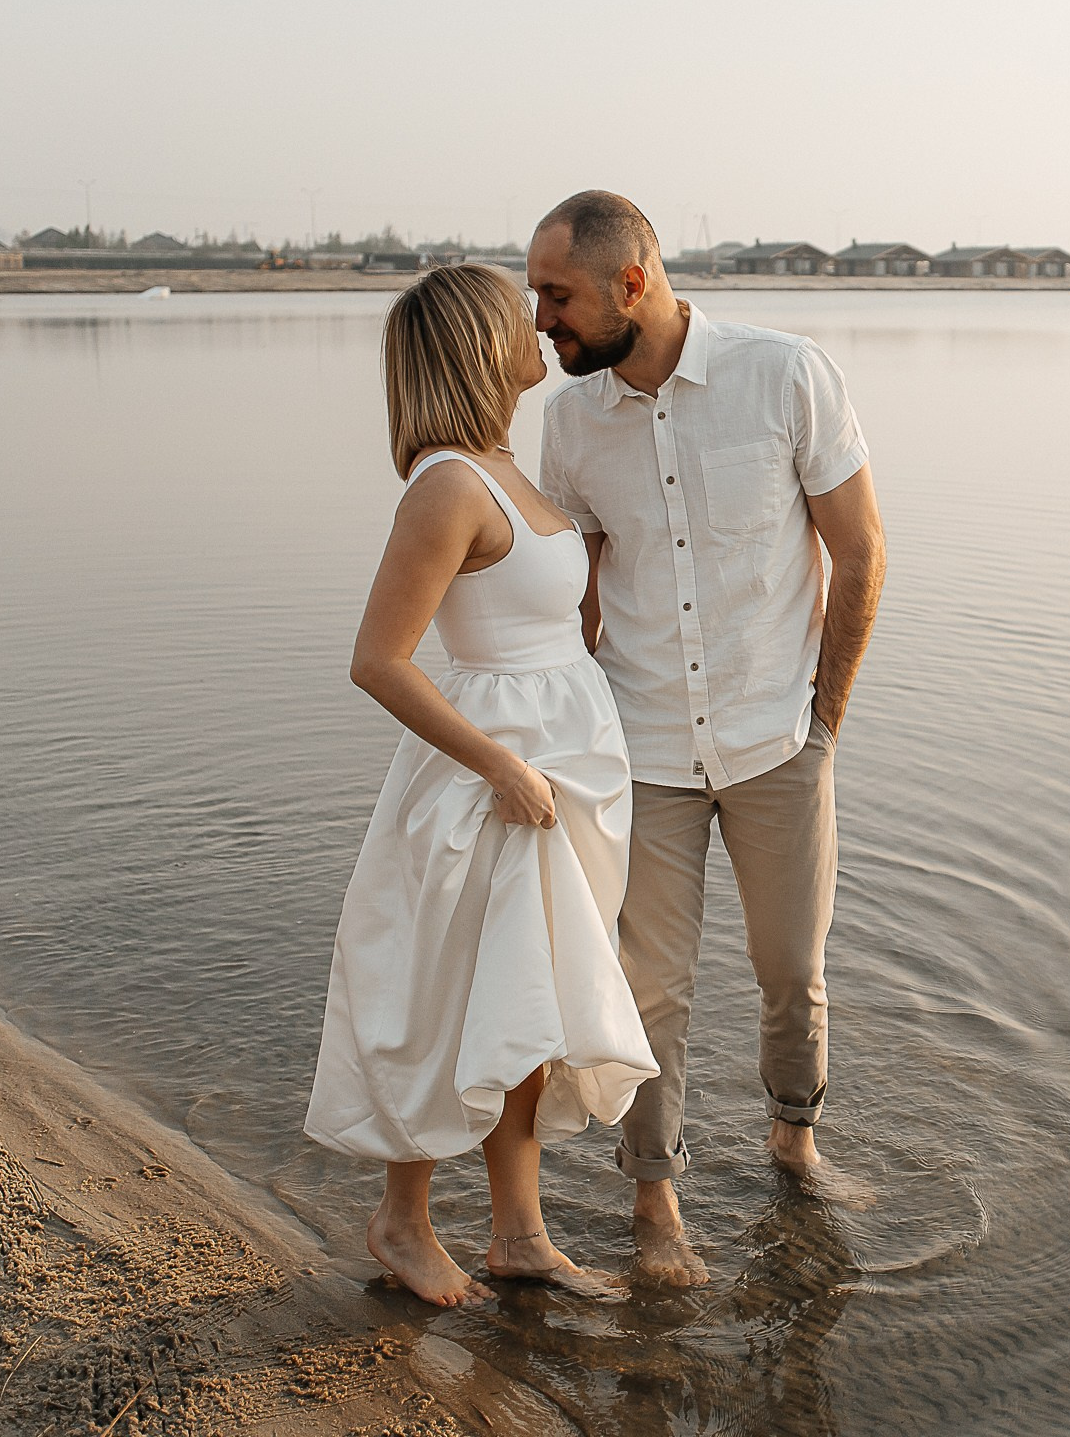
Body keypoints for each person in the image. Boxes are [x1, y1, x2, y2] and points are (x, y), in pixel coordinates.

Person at [530, 190, 888, 1287]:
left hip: (780, 739)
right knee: (649, 991)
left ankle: (794, 1138)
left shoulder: (785, 376)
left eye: (558, 295)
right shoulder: (569, 420)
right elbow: (572, 591)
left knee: (792, 969)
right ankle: (657, 1207)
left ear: (630, 284)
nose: (541, 320)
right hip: (642, 754)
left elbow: (862, 553)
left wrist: (823, 723)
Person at [305, 262, 657, 1305]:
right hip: (489, 781)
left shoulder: (512, 467)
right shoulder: (451, 483)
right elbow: (379, 658)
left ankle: (519, 1235)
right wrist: (499, 764)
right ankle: (401, 1220)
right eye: (517, 316)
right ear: (473, 346)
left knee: (525, 1004)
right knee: (444, 994)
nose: (536, 327)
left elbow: (539, 622)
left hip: (558, 780)